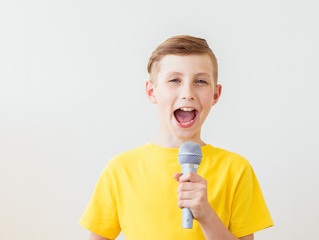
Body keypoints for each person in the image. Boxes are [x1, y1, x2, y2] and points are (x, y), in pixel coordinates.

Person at [79, 35, 273, 240]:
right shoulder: (120, 169)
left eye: (200, 81)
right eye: (174, 80)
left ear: (216, 94)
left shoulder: (236, 169)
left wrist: (206, 215)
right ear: (152, 91)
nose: (187, 93)